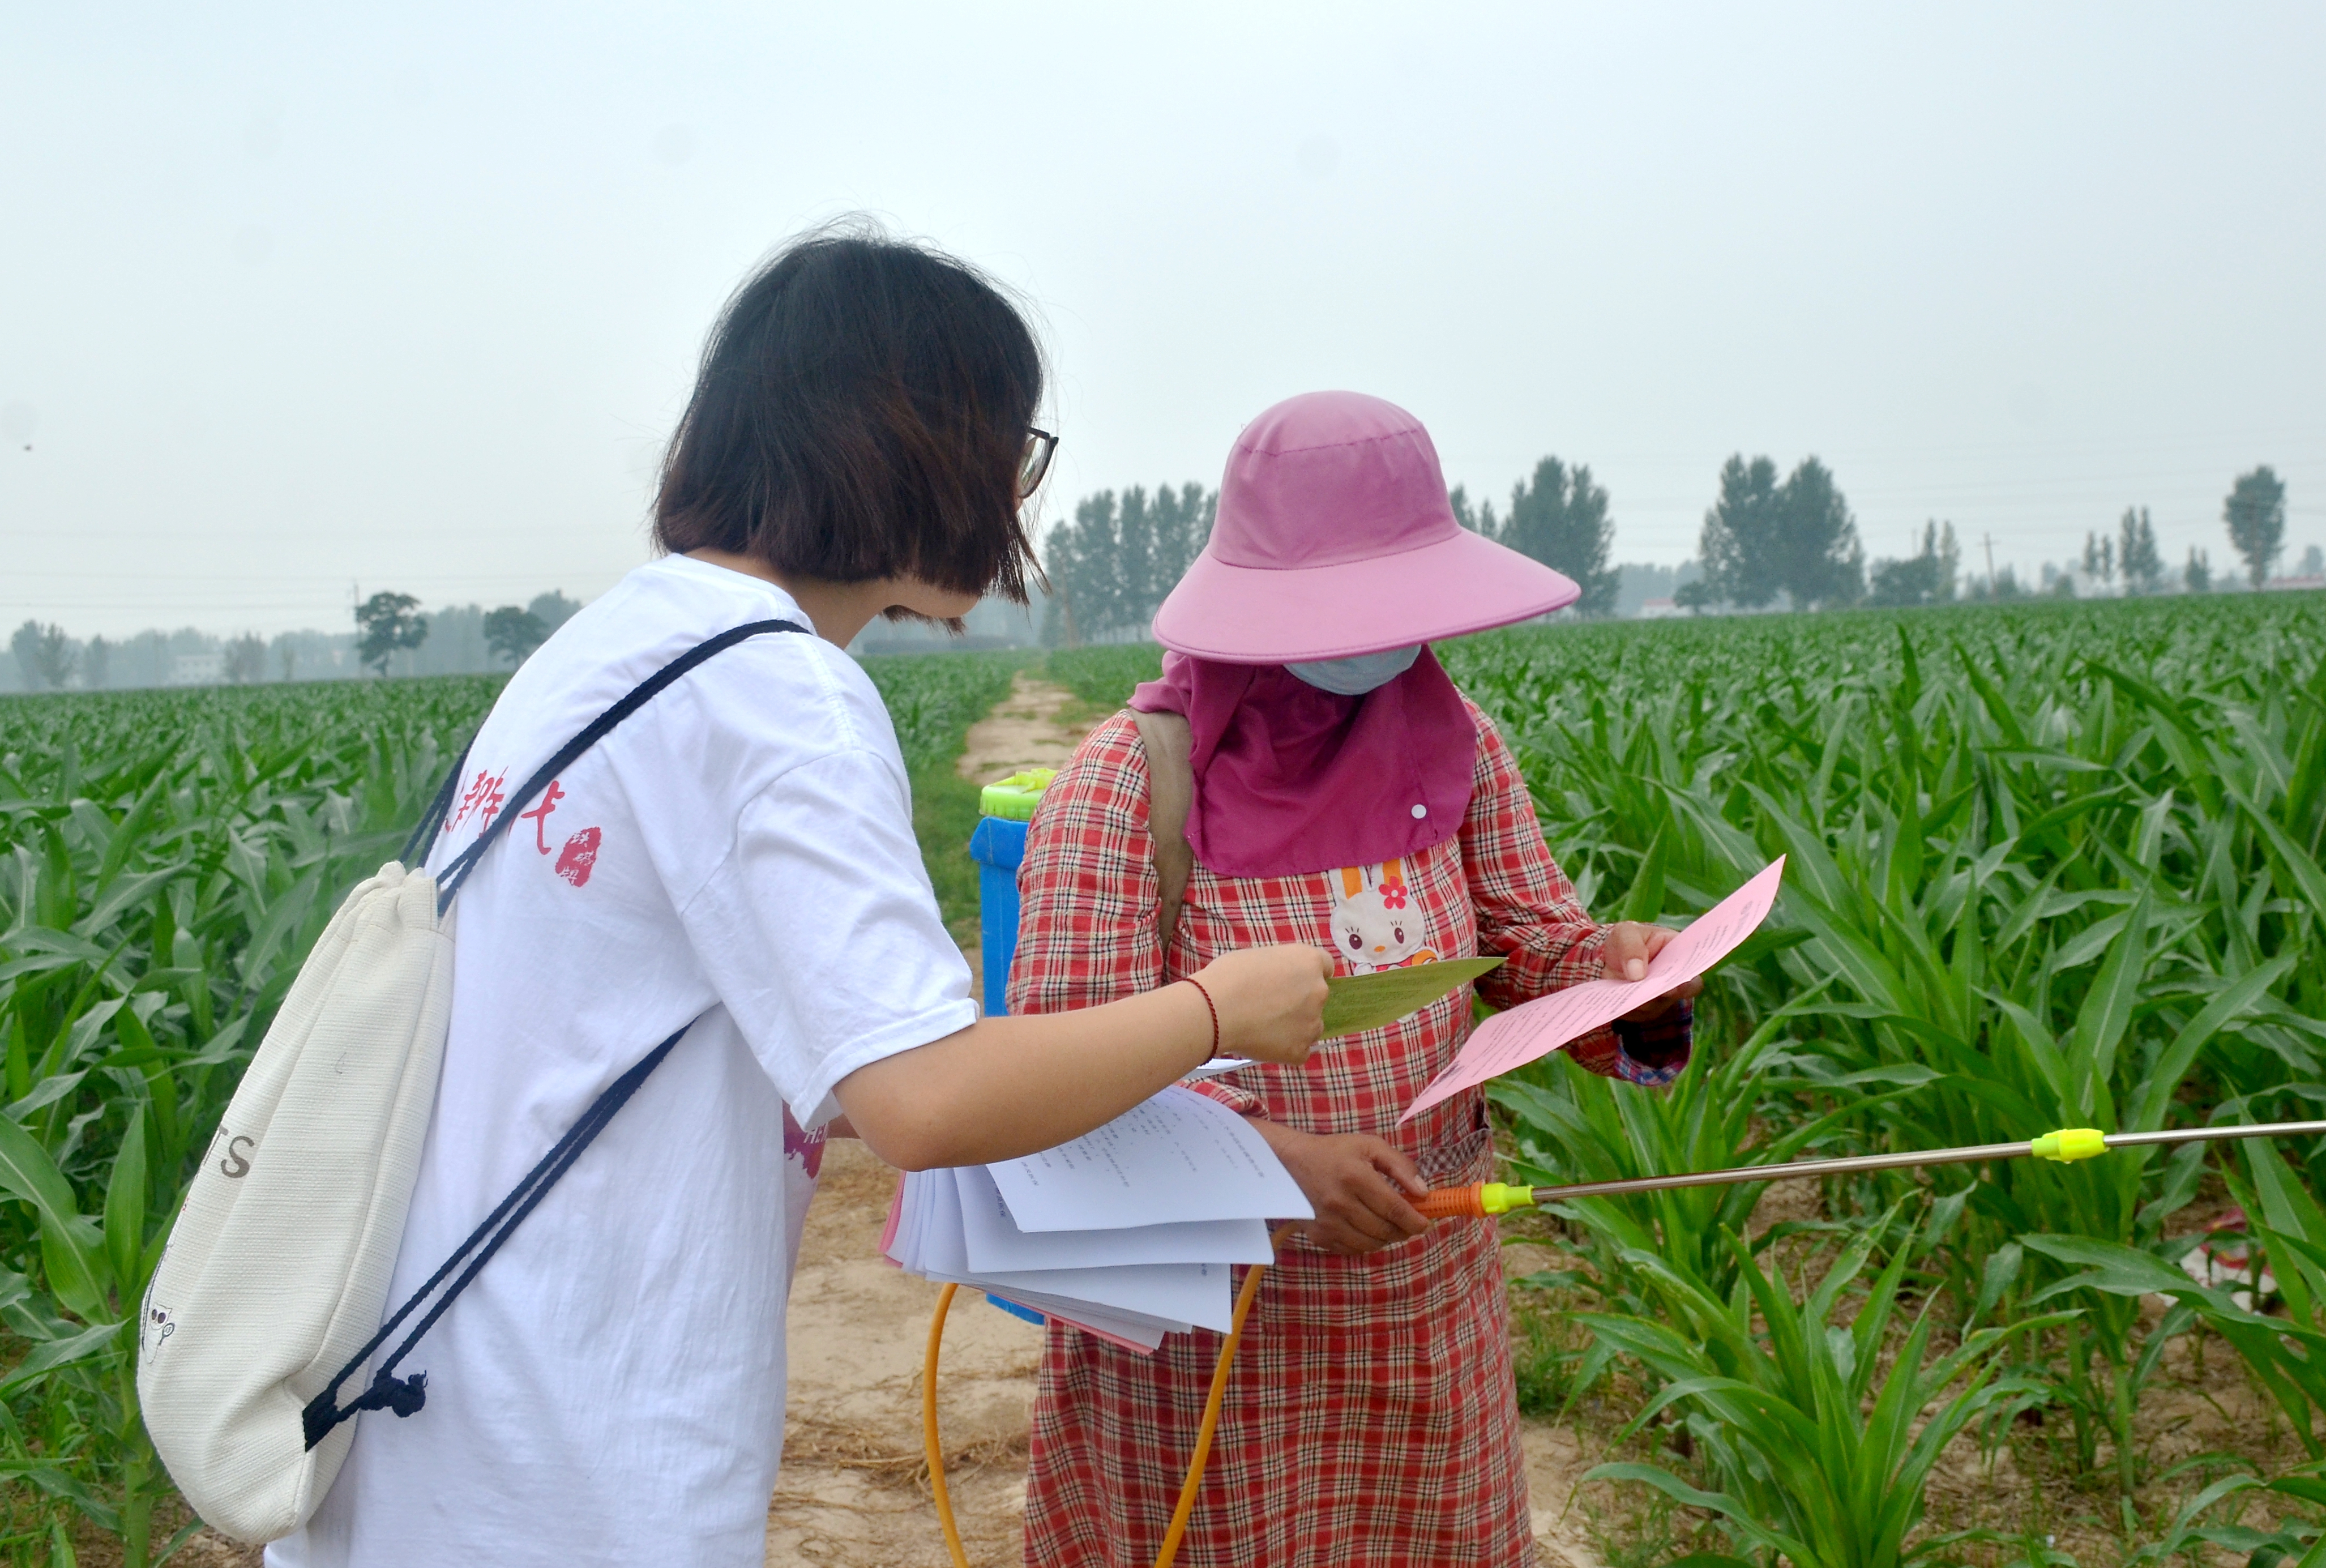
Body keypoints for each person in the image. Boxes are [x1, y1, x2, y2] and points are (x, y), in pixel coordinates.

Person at [268, 230, 1329, 1568]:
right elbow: (920, 1096)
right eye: (1009, 442)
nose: (1015, 492)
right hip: (576, 1445)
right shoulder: (781, 694)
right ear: (911, 443)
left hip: (432, 1390)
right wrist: (1212, 1006)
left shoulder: (616, 645)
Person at [1007, 390, 1699, 1567]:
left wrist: (1620, 976)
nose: (1374, 636)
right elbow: (1054, 1086)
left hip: (1420, 1295)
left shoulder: (1458, 744)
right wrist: (1273, 1167)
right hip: (1212, 1334)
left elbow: (1534, 943)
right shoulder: (1133, 787)